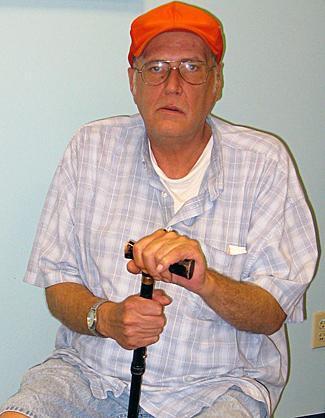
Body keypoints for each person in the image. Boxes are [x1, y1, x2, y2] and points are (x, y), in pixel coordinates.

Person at [0, 2, 318, 418]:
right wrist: (106, 318)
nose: (172, 84)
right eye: (155, 68)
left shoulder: (264, 162)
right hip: (91, 373)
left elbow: (272, 313)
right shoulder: (90, 148)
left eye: (191, 67)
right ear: (132, 80)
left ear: (216, 81)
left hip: (220, 386)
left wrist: (207, 283)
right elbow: (57, 282)